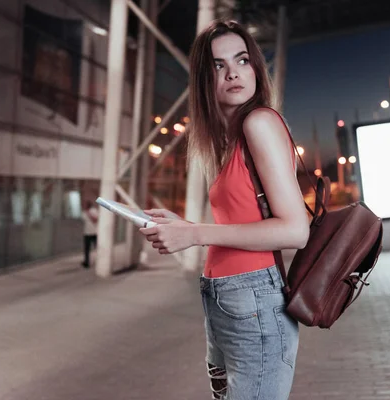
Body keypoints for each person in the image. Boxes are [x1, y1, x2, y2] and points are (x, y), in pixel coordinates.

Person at [139, 20, 310, 400]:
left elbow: (295, 230)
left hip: (254, 303)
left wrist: (194, 233)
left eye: (242, 59)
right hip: (224, 300)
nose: (233, 72)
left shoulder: (259, 122)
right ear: (204, 79)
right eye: (218, 65)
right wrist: (182, 226)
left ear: (255, 68)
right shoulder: (228, 139)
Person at [81, 201, 99, 268]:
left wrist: (89, 213)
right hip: (87, 233)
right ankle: (86, 262)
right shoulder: (84, 212)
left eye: (85, 204)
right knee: (86, 249)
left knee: (97, 248)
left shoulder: (94, 211)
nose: (84, 206)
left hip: (95, 233)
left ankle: (99, 261)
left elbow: (95, 220)